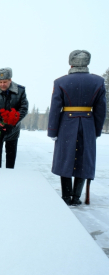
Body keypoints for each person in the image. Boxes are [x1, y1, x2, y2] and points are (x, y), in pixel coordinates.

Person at [48, 50, 107, 206]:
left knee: (65, 159)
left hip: (66, 124)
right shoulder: (98, 81)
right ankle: (76, 197)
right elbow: (101, 110)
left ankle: (66, 196)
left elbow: (55, 108)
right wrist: (96, 129)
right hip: (88, 123)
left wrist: (52, 130)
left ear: (71, 62)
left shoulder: (60, 82)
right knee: (84, 160)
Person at [0, 67, 28, 169]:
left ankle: (9, 176)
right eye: (0, 82)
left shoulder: (20, 91)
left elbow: (23, 108)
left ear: (10, 80)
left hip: (13, 128)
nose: (2, 84)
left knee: (11, 155)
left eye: (5, 82)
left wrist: (12, 122)